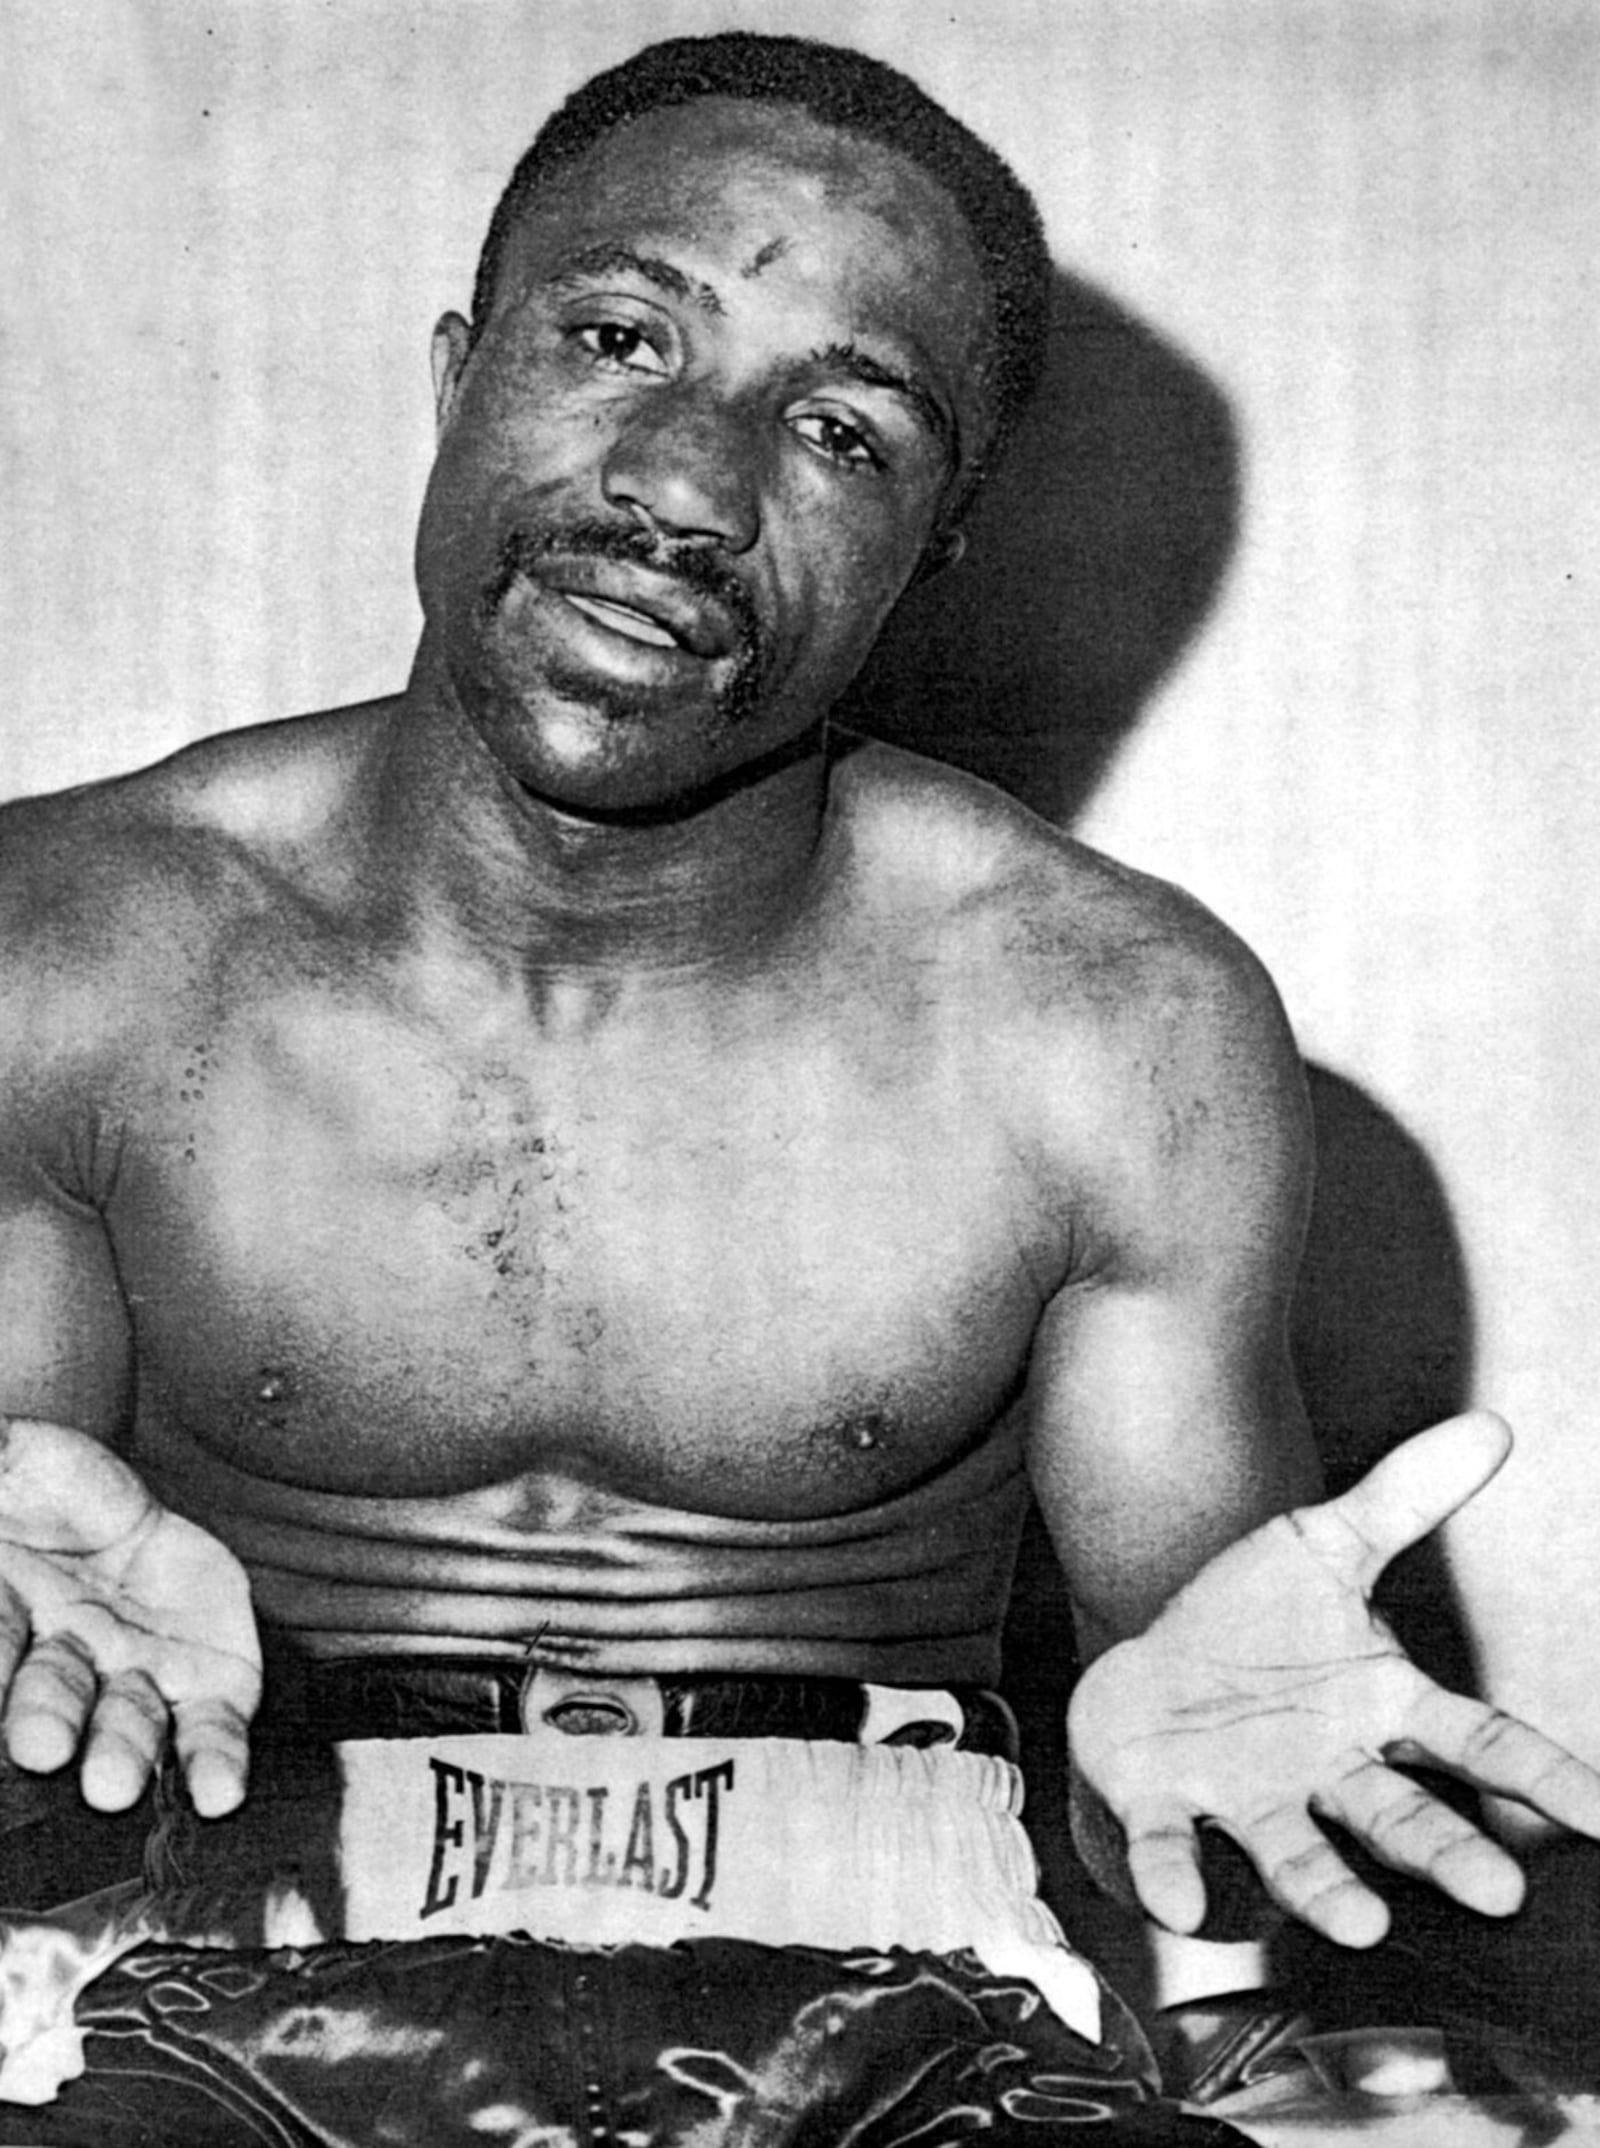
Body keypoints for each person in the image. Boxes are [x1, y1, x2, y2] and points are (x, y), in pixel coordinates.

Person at [1, 30, 1597, 2146]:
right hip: (192, 1981)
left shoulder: (1100, 1018)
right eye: (615, 337)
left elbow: (1207, 1750)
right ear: (462, 369)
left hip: (910, 2009)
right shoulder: (75, 944)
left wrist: (1233, 1830)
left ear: (930, 546)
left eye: (838, 428)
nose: (684, 482)